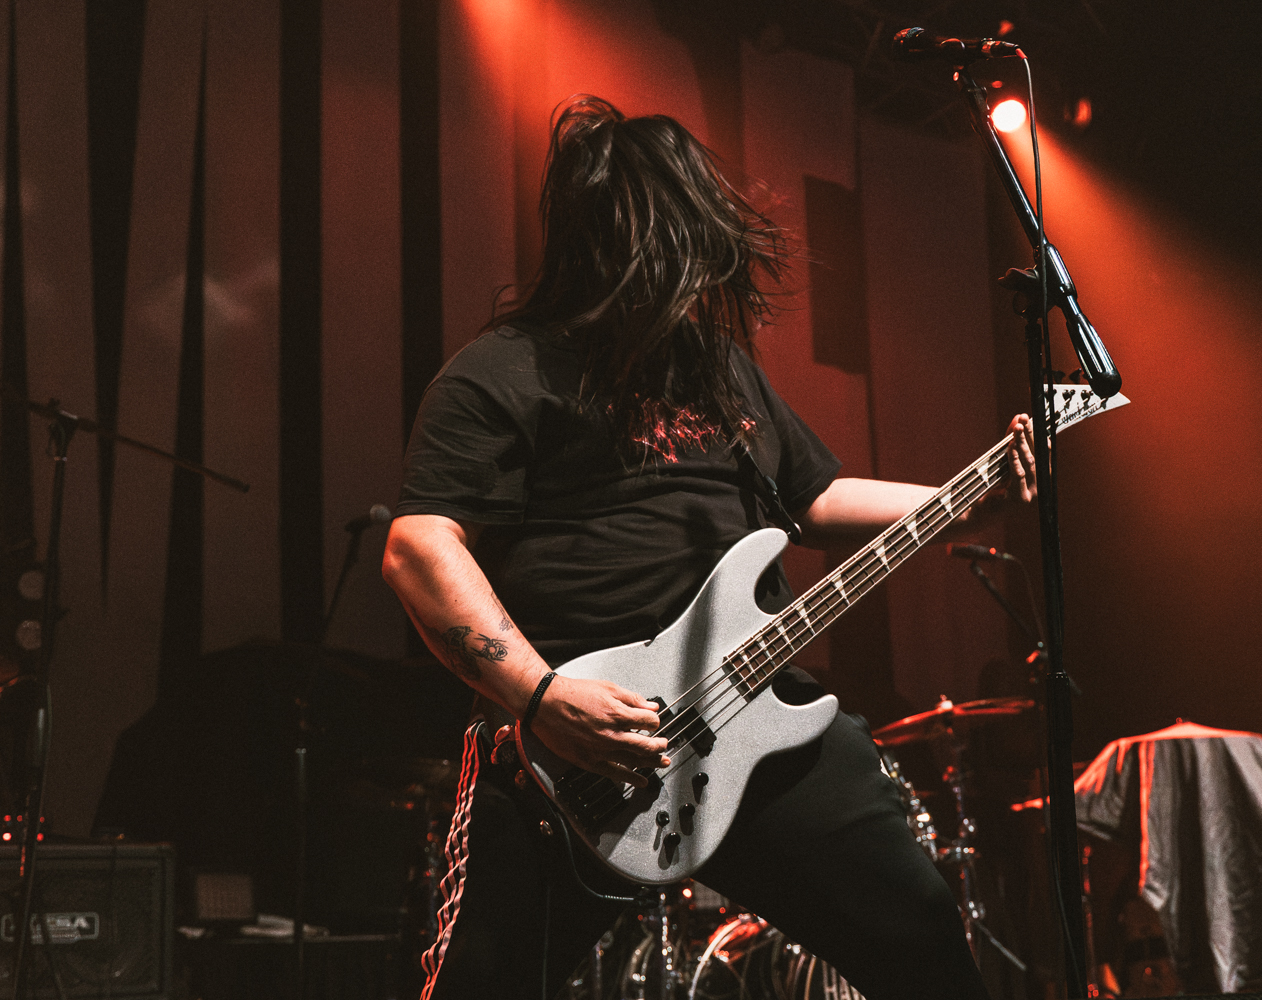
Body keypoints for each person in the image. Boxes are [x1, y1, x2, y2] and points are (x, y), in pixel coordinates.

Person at [382, 95, 1037, 1000]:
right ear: (634, 242)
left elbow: (813, 497)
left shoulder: (717, 368)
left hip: (752, 712)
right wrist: (541, 696)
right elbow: (419, 545)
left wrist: (970, 497)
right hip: (574, 752)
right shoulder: (503, 370)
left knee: (922, 941)